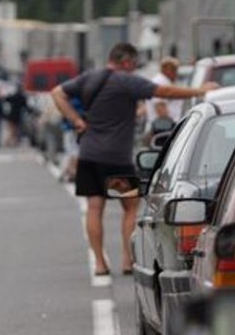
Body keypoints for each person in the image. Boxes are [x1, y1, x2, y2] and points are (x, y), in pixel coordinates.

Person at [52, 42, 218, 276]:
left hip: (89, 154)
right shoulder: (127, 81)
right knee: (130, 207)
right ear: (127, 61)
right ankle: (127, 260)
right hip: (117, 158)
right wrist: (199, 91)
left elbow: (57, 93)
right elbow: (164, 92)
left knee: (94, 207)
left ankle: (100, 263)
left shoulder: (90, 77)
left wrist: (76, 121)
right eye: (134, 64)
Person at [145, 56, 182, 126]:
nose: (176, 73)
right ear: (167, 69)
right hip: (164, 127)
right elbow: (160, 108)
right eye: (174, 70)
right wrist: (172, 127)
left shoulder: (163, 81)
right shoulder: (160, 82)